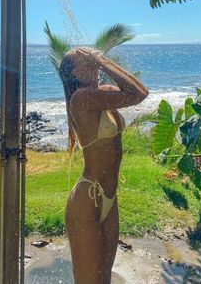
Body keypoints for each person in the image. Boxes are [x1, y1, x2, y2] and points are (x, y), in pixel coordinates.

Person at [59, 47, 149, 284]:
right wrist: (102, 60)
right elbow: (139, 94)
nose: (93, 60)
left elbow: (139, 91)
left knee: (104, 278)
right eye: (86, 59)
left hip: (109, 197)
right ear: (76, 72)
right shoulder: (83, 99)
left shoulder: (103, 94)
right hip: (87, 200)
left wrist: (101, 61)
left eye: (93, 57)